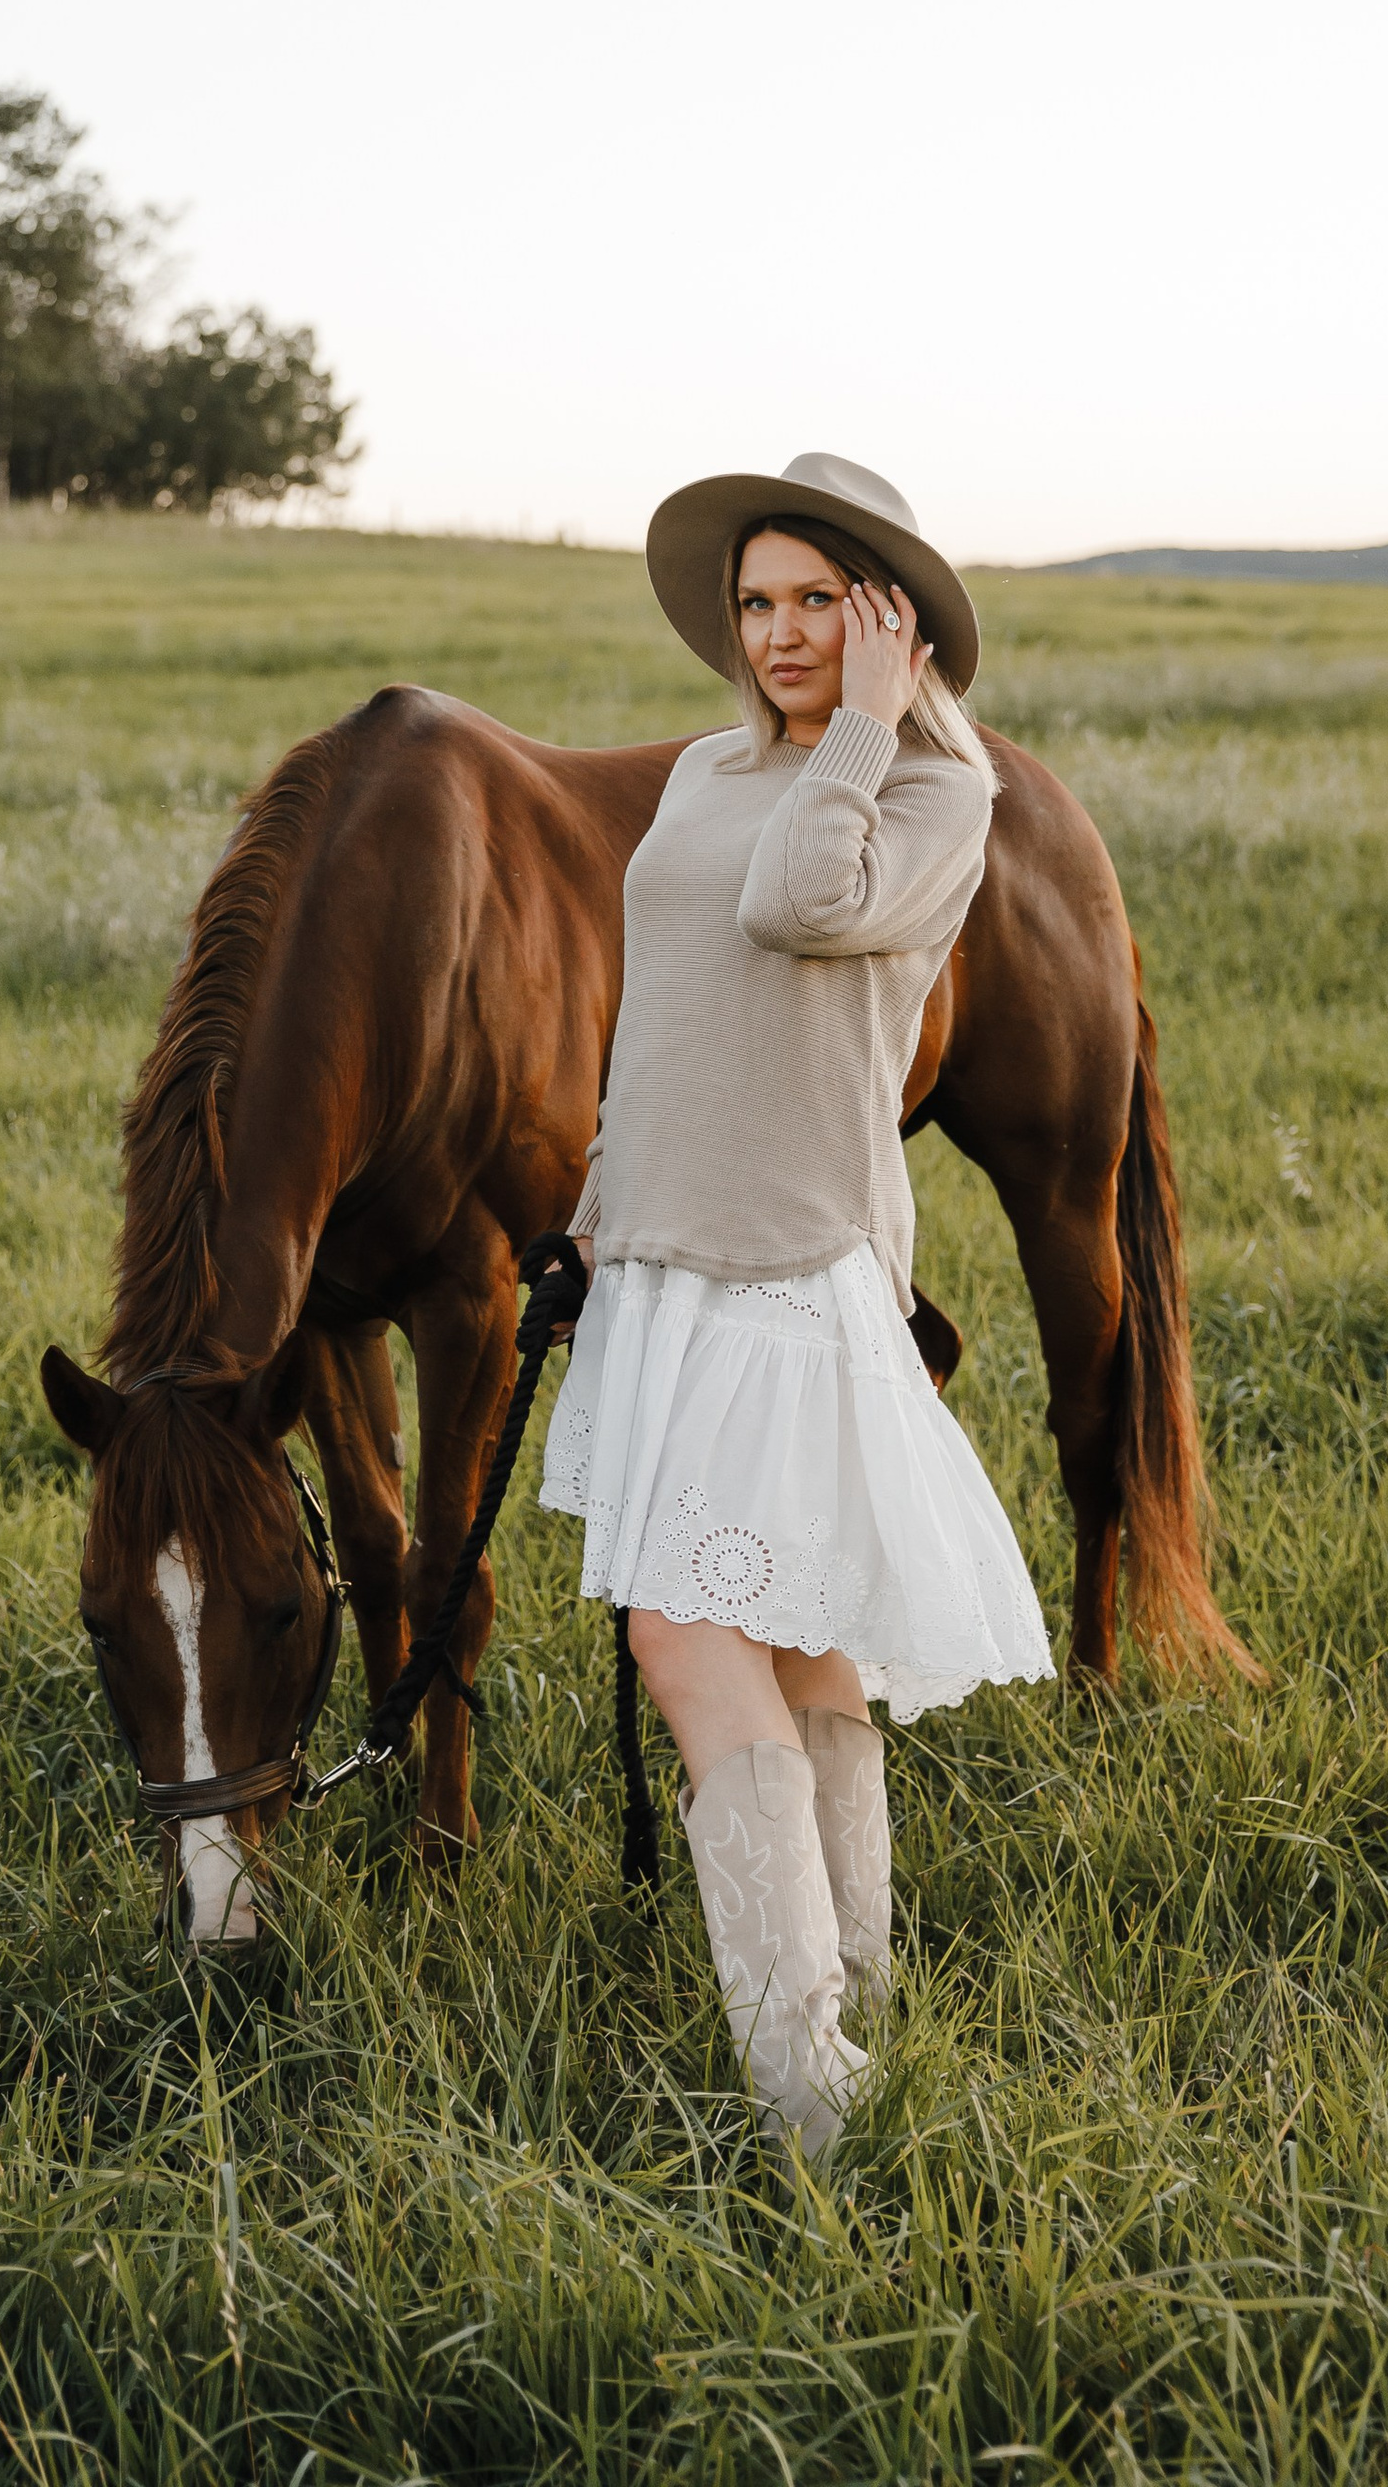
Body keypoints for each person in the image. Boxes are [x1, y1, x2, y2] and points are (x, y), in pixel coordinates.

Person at [541, 451, 1052, 2159]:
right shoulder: (698, 771)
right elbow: (668, 995)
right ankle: (870, 2013)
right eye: (754, 604)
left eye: (814, 604)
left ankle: (810, 2094)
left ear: (889, 620)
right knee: (796, 1637)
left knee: (684, 1642)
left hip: (790, 1264)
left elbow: (793, 906)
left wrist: (863, 729)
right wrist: (604, 1198)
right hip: (665, 1260)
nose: (771, 634)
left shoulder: (930, 802)